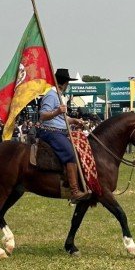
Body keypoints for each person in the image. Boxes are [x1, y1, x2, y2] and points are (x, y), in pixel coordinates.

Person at [37, 68, 90, 204]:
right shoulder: (51, 95)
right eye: (68, 83)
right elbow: (43, 115)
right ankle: (74, 192)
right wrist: (56, 111)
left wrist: (74, 120)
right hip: (50, 131)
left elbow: (62, 118)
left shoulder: (60, 95)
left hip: (60, 130)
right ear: (65, 83)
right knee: (70, 153)